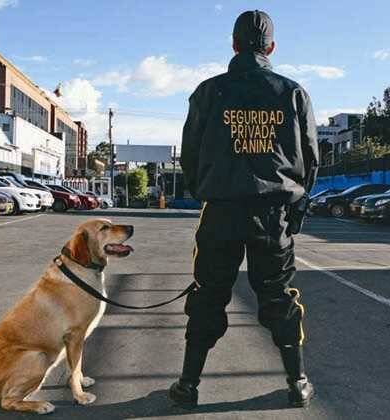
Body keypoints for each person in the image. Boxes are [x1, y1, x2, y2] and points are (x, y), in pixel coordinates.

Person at [170, 10, 319, 409]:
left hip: (220, 211)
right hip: (272, 214)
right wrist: (295, 210)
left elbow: (190, 155)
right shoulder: (293, 93)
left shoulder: (208, 91)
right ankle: (297, 382)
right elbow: (311, 158)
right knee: (279, 296)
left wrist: (207, 191)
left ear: (234, 45)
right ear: (270, 47)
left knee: (208, 294)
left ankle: (188, 385)